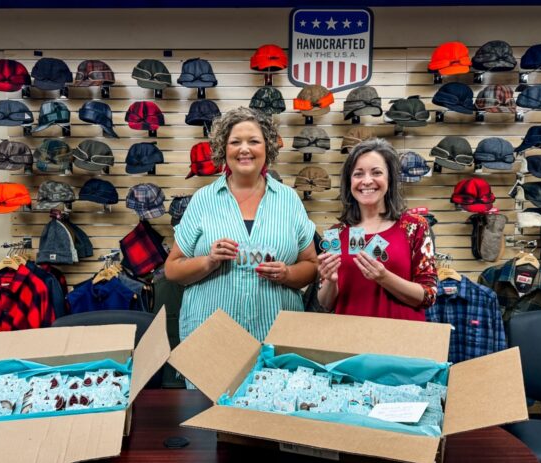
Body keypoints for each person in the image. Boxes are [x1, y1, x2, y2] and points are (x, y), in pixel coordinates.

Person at [165, 107, 318, 342]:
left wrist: (286, 273)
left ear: (267, 147)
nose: (244, 149)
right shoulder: (204, 200)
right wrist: (209, 261)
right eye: (235, 142)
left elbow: (310, 265)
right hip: (211, 336)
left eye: (254, 141)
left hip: (276, 333)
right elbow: (172, 268)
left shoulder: (289, 199)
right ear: (223, 149)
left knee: (272, 380)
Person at [317, 139, 437, 320]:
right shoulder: (336, 233)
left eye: (376, 172)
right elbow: (325, 303)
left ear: (390, 178)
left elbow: (429, 295)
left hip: (401, 340)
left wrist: (384, 277)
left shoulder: (415, 226)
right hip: (348, 341)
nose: (366, 181)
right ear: (349, 181)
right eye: (358, 174)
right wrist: (331, 282)